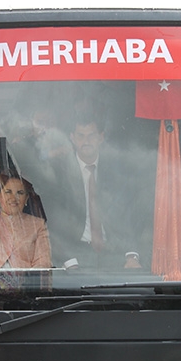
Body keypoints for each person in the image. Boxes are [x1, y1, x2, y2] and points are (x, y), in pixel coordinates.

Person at [45, 112, 142, 269]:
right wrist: (69, 261)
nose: (86, 141)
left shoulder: (117, 172)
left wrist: (132, 255)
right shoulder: (59, 173)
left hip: (115, 253)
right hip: (76, 254)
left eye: (91, 135)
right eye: (81, 136)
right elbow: (55, 222)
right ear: (72, 138)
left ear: (101, 137)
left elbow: (130, 215)